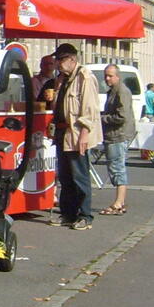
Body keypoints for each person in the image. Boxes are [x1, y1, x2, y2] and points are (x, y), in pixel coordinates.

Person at [50, 44, 100, 231]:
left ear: (72, 59)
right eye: (58, 60)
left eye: (61, 60)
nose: (58, 64)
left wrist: (84, 135)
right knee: (65, 176)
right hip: (63, 132)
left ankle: (85, 215)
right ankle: (68, 213)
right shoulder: (62, 79)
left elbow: (89, 109)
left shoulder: (84, 77)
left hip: (77, 133)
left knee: (79, 175)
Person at [100, 64, 135, 214]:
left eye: (110, 76)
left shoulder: (122, 91)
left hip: (118, 135)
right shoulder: (113, 91)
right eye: (106, 75)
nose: (107, 78)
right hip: (114, 135)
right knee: (115, 167)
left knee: (117, 168)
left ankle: (119, 202)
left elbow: (122, 116)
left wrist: (102, 118)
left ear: (118, 76)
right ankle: (120, 201)